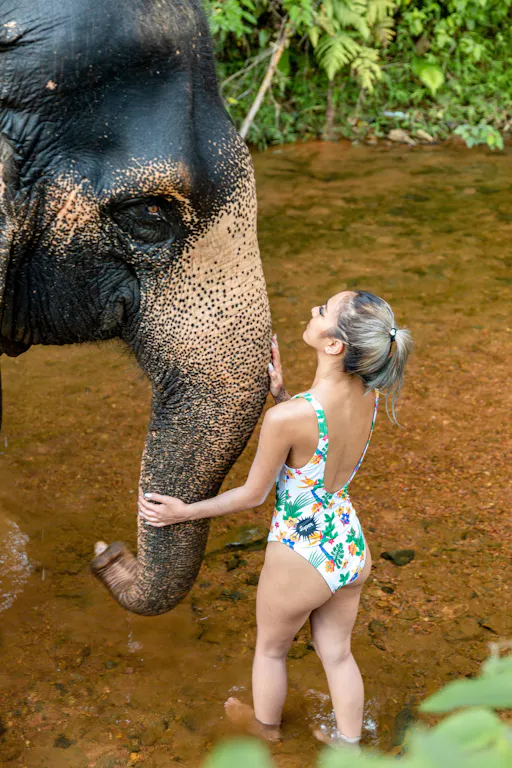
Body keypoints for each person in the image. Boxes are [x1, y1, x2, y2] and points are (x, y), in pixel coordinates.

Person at [138, 290, 413, 748]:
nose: (313, 311)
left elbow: (253, 495)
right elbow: (320, 436)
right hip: (347, 543)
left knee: (270, 650)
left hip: (300, 552)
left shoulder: (289, 418)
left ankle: (265, 732)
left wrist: (184, 512)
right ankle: (349, 747)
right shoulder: (369, 394)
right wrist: (284, 394)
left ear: (334, 345)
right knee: (339, 656)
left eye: (322, 311)